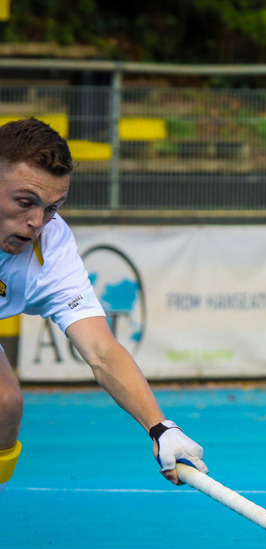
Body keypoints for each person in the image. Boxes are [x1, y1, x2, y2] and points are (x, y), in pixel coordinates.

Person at [0, 117, 206, 499]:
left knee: (5, 405)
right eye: (25, 202)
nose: (35, 223)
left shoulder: (52, 244)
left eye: (52, 208)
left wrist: (161, 427)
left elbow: (101, 350)